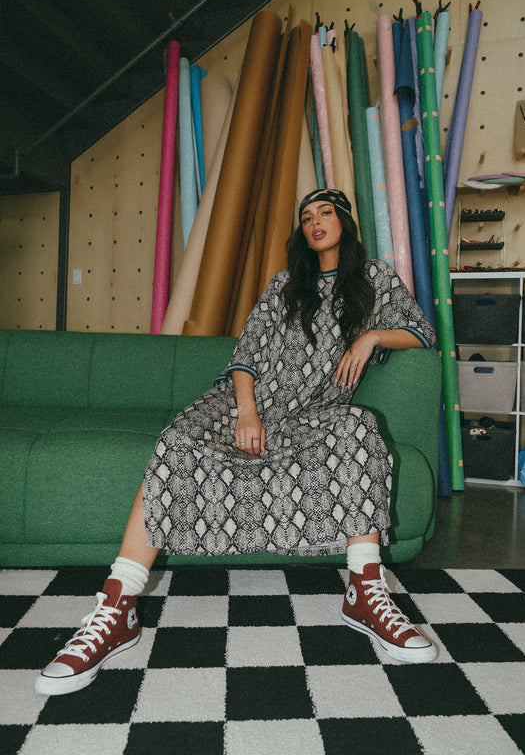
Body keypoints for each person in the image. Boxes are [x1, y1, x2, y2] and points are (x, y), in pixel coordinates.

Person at [35, 188, 437, 696]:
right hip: (242, 403)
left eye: (325, 214)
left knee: (358, 426)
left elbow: (420, 332)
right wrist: (247, 412)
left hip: (314, 412)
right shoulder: (287, 284)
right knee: (176, 442)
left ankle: (365, 591)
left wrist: (371, 337)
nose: (315, 223)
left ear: (345, 223)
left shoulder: (375, 278)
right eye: (306, 217)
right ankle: (117, 609)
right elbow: (246, 352)